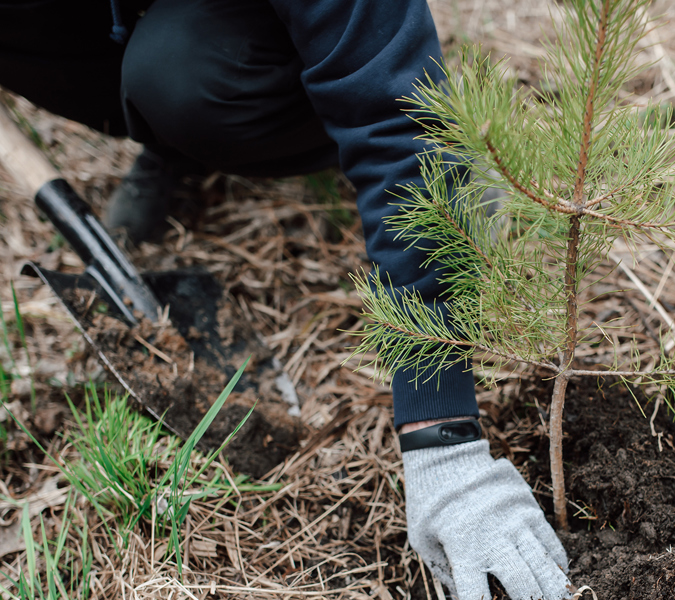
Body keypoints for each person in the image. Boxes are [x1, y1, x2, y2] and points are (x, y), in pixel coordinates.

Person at [1, 1, 571, 598]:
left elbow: (396, 119)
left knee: (179, 75)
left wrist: (442, 439)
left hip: (278, 40)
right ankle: (171, 134)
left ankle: (341, 129)